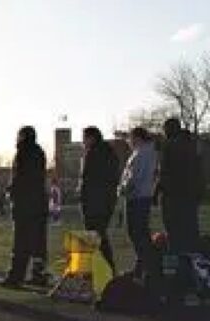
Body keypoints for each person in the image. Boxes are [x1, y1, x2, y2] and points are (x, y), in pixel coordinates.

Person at [0, 126, 50, 288]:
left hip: (24, 203)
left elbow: (20, 177)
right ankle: (38, 273)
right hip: (38, 202)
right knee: (38, 240)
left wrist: (11, 190)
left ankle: (16, 276)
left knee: (21, 240)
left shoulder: (23, 152)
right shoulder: (39, 152)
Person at [156, 118, 202, 256]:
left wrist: (157, 191)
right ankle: (195, 266)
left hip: (173, 197)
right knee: (191, 232)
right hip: (191, 195)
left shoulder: (169, 145)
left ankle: (174, 269)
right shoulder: (193, 145)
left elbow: (164, 172)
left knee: (174, 236)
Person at [78, 126, 120, 269]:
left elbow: (87, 178)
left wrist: (83, 195)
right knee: (99, 234)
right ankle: (104, 267)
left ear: (91, 138)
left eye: (84, 138)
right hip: (106, 200)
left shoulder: (93, 154)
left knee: (95, 236)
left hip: (94, 202)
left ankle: (106, 267)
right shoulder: (110, 153)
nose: (83, 141)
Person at [118, 127, 157, 278]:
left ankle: (148, 268)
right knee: (141, 233)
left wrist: (123, 189)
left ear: (138, 138)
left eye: (131, 138)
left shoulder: (141, 154)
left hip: (137, 197)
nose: (129, 141)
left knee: (136, 233)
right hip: (142, 196)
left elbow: (134, 177)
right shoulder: (147, 152)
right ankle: (142, 268)